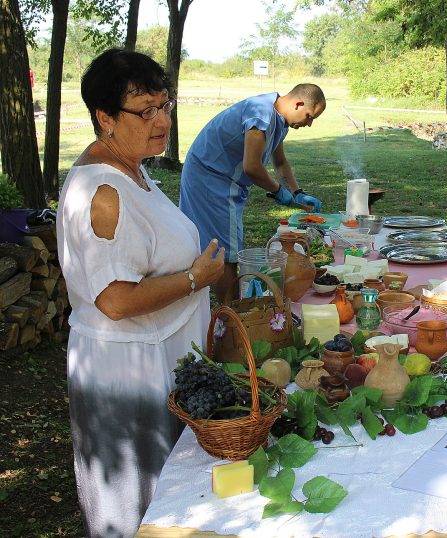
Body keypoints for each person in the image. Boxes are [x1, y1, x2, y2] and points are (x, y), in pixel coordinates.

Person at [57, 49, 225, 536]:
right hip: (128, 375)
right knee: (134, 510)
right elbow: (114, 301)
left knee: (169, 502)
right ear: (104, 117)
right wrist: (196, 279)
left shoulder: (133, 169)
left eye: (164, 105)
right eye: (144, 110)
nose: (161, 121)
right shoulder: (102, 192)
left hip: (159, 362)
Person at [179, 84, 326, 300]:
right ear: (298, 103)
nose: (310, 124)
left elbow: (281, 163)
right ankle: (231, 318)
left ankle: (226, 312)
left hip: (224, 180)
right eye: (309, 116)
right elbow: (252, 166)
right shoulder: (261, 113)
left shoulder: (280, 120)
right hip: (210, 178)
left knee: (225, 246)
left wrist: (297, 192)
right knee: (226, 253)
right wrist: (278, 192)